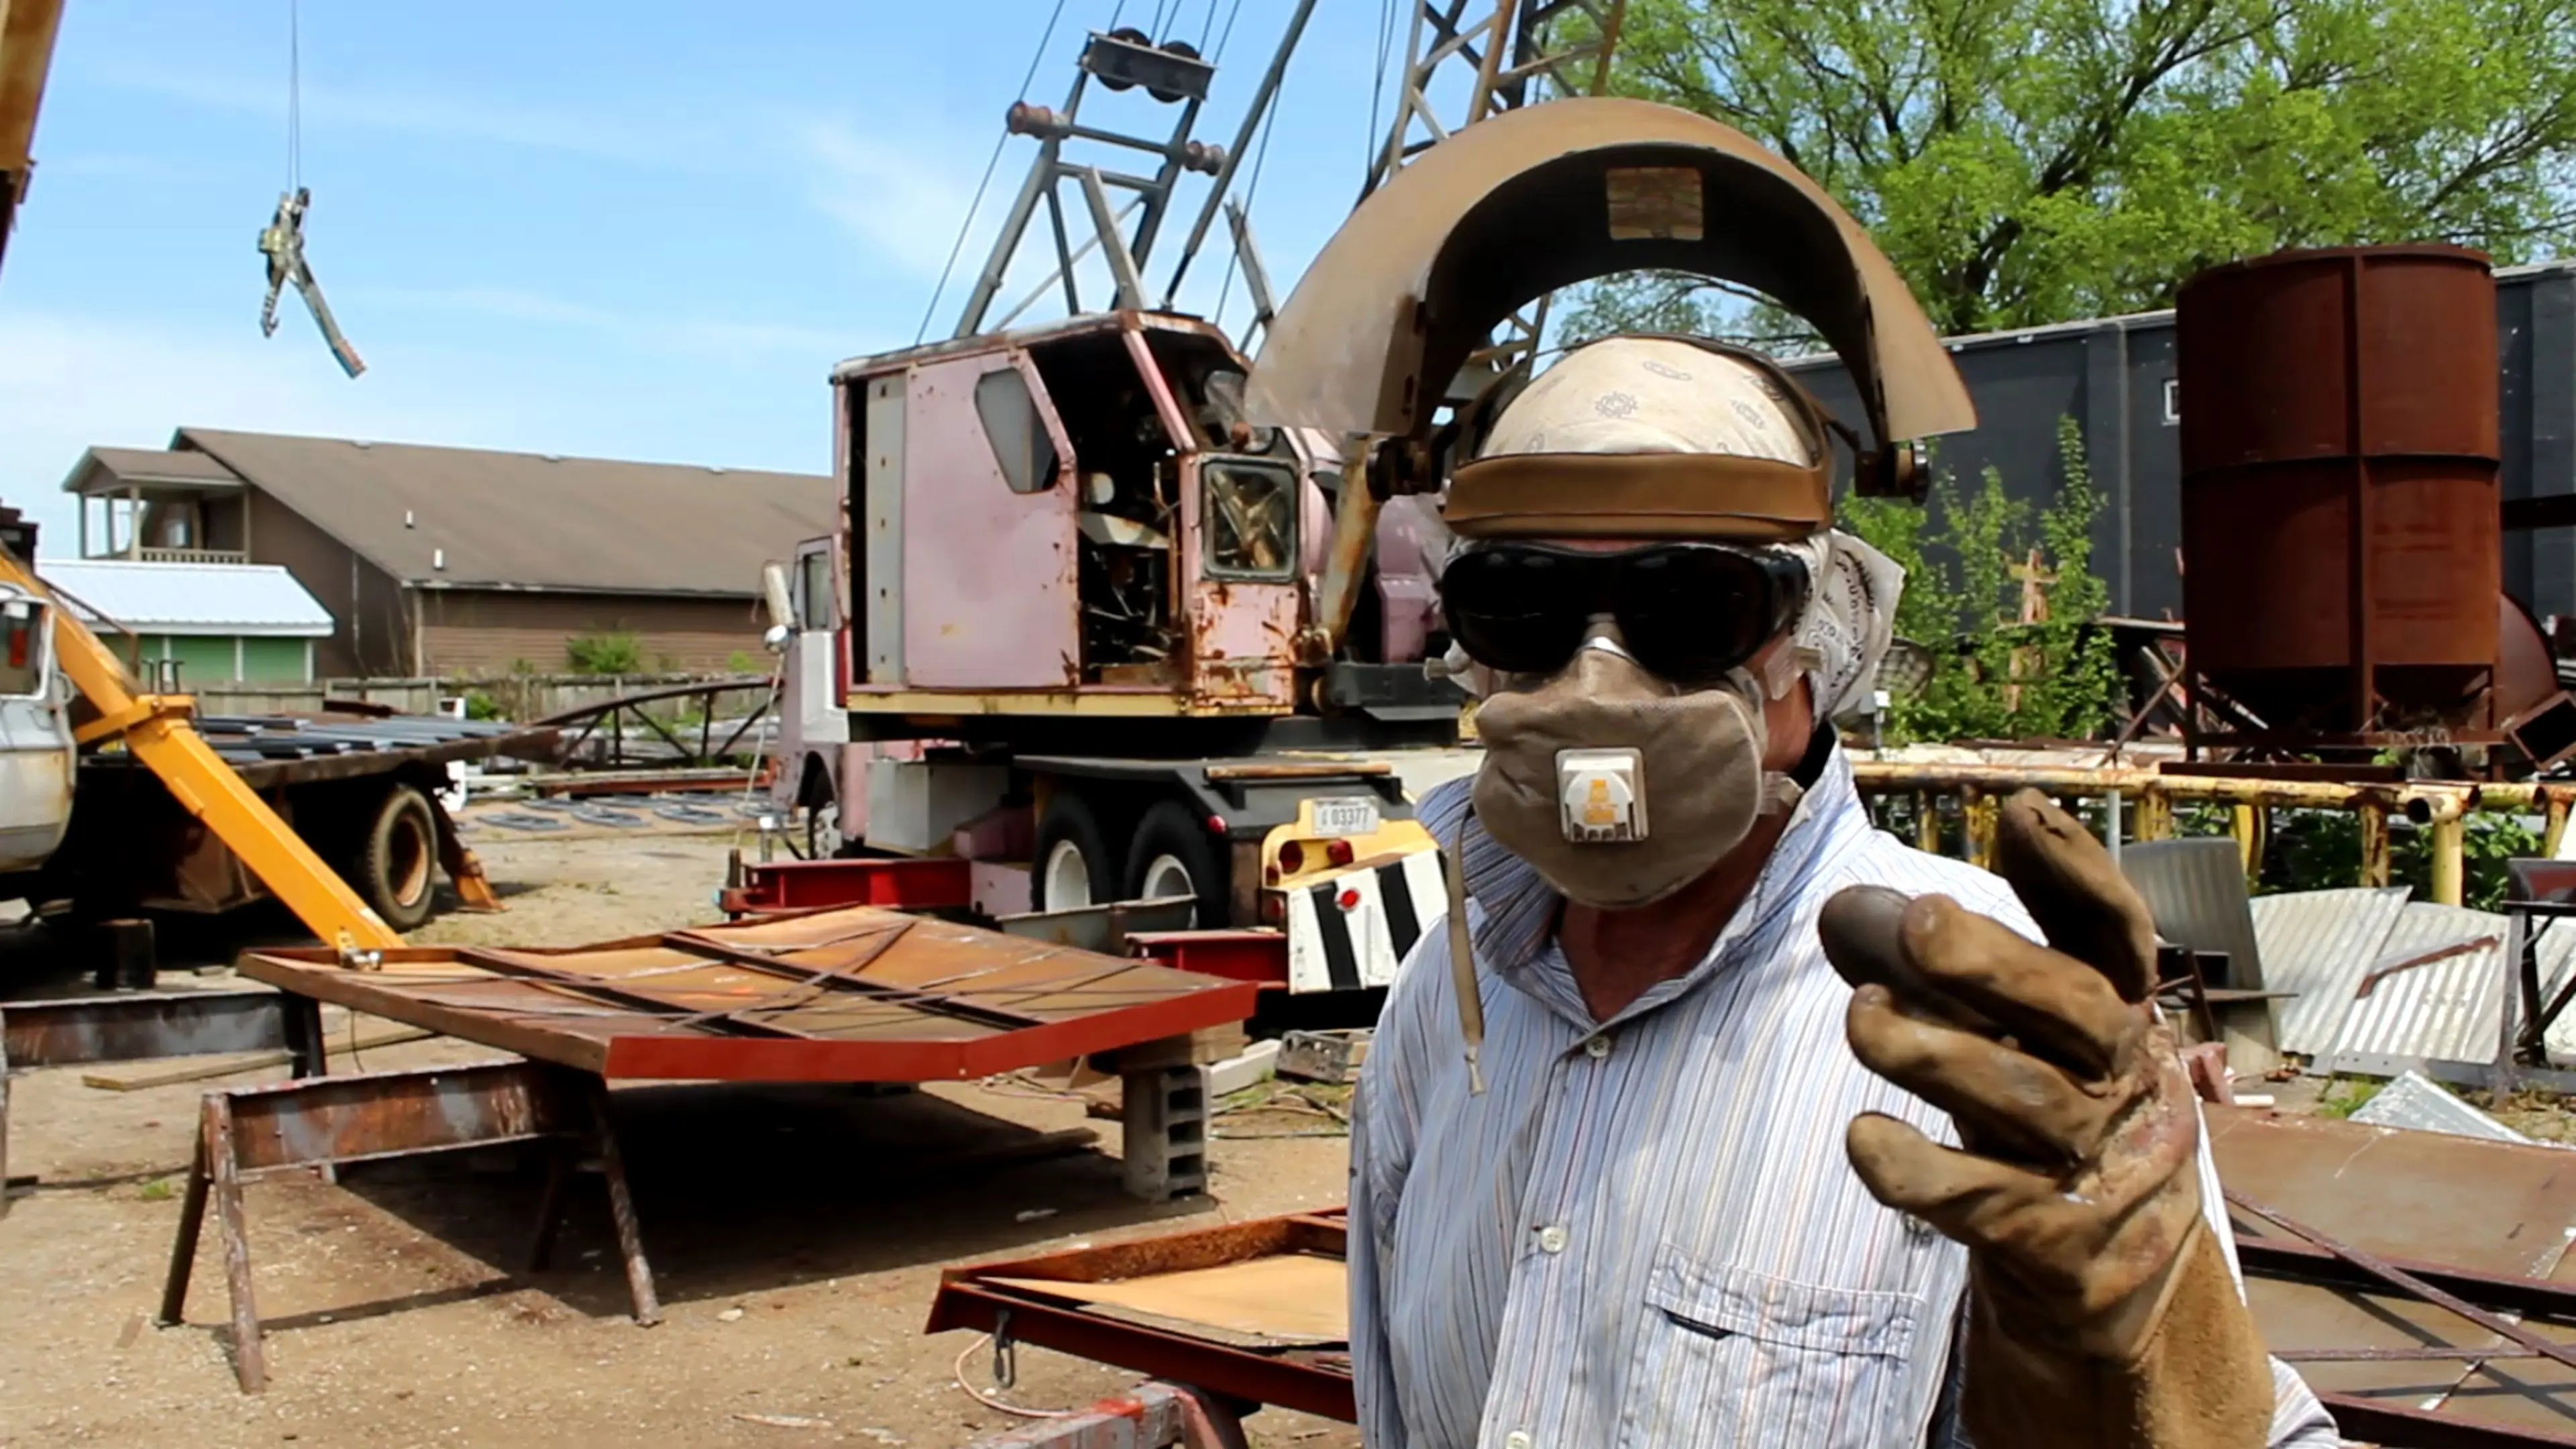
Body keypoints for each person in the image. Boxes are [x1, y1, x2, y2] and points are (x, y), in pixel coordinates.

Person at [1346, 334, 2342, 1449]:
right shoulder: (1450, 991)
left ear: (1826, 633)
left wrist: (2152, 1397)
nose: (1598, 681)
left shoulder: (1989, 1011)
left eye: (1690, 606)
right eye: (1525, 605)